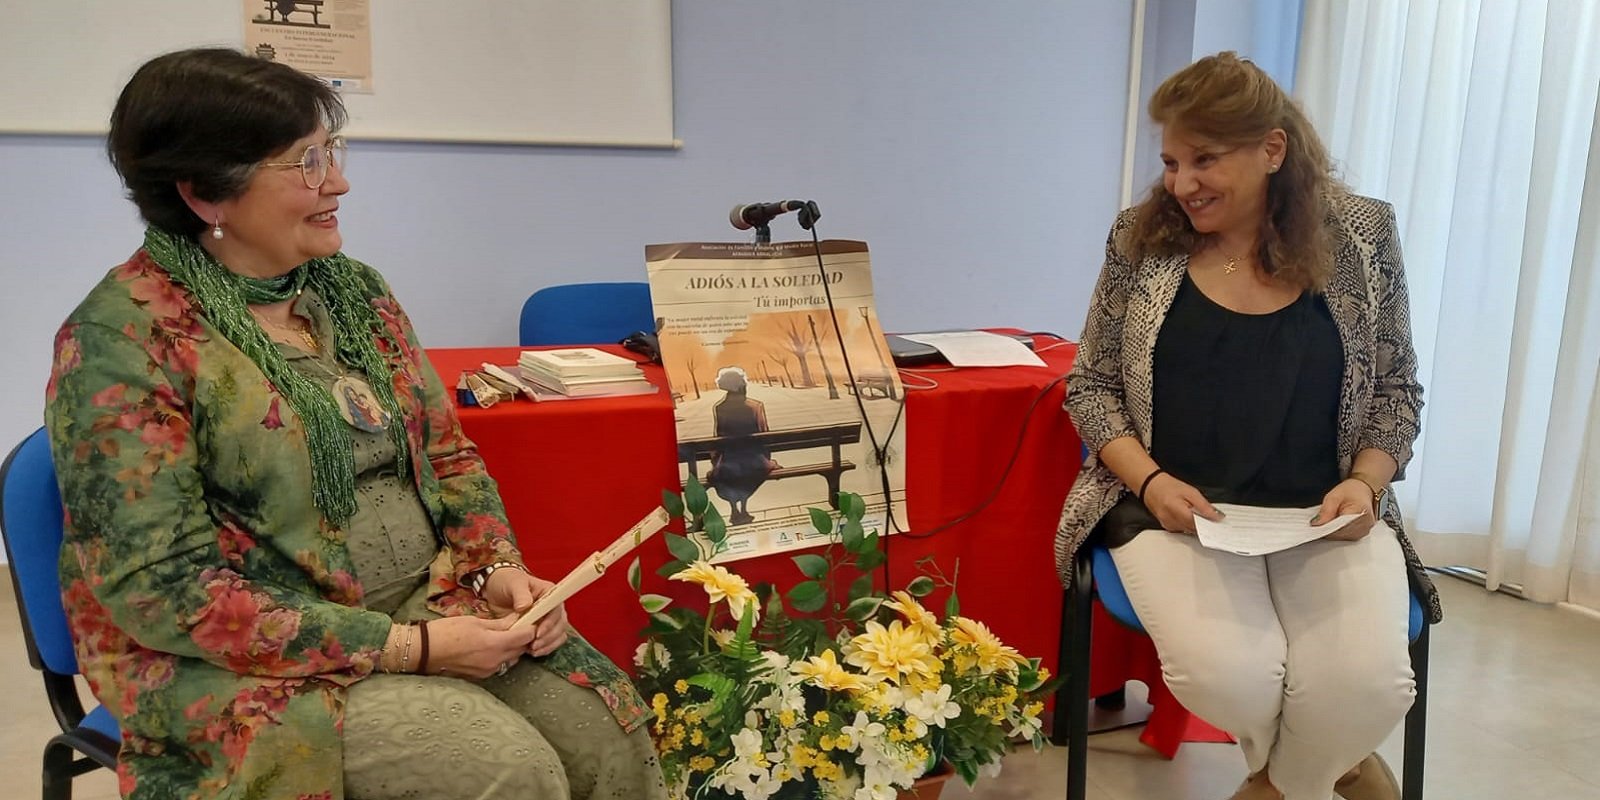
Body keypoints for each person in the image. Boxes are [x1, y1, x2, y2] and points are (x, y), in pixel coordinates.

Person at [44, 48, 666, 800]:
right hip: (244, 664)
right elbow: (160, 588)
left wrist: (494, 569)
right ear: (206, 194)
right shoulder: (122, 340)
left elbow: (449, 457)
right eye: (306, 162)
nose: (337, 181)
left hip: (428, 604)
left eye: (331, 151)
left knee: (607, 731)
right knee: (506, 770)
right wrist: (410, 648)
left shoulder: (352, 292)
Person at [1053, 52, 1439, 800]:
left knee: (1371, 684)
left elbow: (1397, 390)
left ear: (1272, 149)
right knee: (1230, 676)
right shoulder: (1141, 237)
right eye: (1171, 162)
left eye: (1205, 159)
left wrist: (1366, 484)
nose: (1181, 184)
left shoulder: (1363, 233)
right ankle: (1339, 766)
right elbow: (1092, 386)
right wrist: (1151, 482)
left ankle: (1277, 784)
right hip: (1172, 512)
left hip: (1325, 514)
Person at [706, 366, 776, 525]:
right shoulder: (755, 406)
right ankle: (743, 508)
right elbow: (764, 435)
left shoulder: (720, 407)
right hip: (753, 459)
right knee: (750, 473)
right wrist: (766, 457)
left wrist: (716, 460)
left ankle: (734, 509)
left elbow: (719, 435)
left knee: (728, 474)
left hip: (729, 460)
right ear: (741, 386)